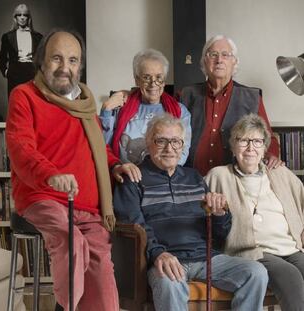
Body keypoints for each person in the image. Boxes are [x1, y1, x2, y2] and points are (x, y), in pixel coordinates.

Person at [6, 29, 141, 311]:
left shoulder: (84, 103)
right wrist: (51, 174)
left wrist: (115, 164)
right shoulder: (24, 96)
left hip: (87, 207)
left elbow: (95, 148)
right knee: (71, 239)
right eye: (56, 58)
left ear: (79, 66)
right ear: (41, 61)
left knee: (101, 268)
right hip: (42, 198)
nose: (65, 67)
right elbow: (21, 149)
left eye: (72, 60)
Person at [113, 113, 269, 311]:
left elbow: (219, 234)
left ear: (183, 146)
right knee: (169, 284)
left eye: (176, 142)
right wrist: (159, 253)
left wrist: (220, 214)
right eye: (161, 141)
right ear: (148, 142)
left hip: (205, 257)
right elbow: (134, 225)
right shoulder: (134, 178)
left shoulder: (193, 176)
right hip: (164, 259)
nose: (169, 149)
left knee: (256, 272)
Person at [205, 114, 304, 311]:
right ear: (233, 147)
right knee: (290, 276)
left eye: (257, 141)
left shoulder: (280, 173)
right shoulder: (219, 175)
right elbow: (202, 214)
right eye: (243, 141)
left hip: (291, 247)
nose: (251, 148)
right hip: (252, 251)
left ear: (264, 148)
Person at [180, 35, 282, 176]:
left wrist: (270, 155)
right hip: (192, 178)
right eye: (213, 54)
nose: (219, 60)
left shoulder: (252, 97)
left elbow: (267, 137)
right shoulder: (186, 95)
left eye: (225, 55)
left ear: (234, 62)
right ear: (204, 61)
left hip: (235, 180)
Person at [99, 48, 191, 166]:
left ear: (164, 80)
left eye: (159, 77)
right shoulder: (120, 108)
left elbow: (182, 153)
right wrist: (106, 111)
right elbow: (104, 147)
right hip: (126, 177)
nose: (153, 83)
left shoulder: (180, 111)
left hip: (163, 179)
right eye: (146, 77)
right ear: (137, 80)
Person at [0, 4, 43, 97]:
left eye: (25, 15)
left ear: (28, 17)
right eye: (19, 15)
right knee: (16, 103)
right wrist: (7, 72)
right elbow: (2, 58)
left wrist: (40, 75)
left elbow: (43, 58)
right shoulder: (7, 37)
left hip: (32, 74)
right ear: (15, 18)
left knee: (32, 103)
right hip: (15, 74)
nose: (22, 18)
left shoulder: (38, 37)